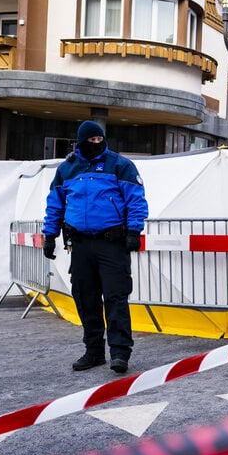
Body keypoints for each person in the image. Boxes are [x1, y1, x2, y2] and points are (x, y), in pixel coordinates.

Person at [42, 120, 148, 374]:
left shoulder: (119, 165)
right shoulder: (67, 169)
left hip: (112, 243)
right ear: (81, 141)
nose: (97, 143)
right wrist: (49, 234)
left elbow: (136, 200)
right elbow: (55, 204)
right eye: (92, 140)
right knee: (85, 298)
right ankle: (94, 352)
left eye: (100, 139)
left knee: (115, 298)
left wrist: (134, 230)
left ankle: (120, 352)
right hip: (80, 245)